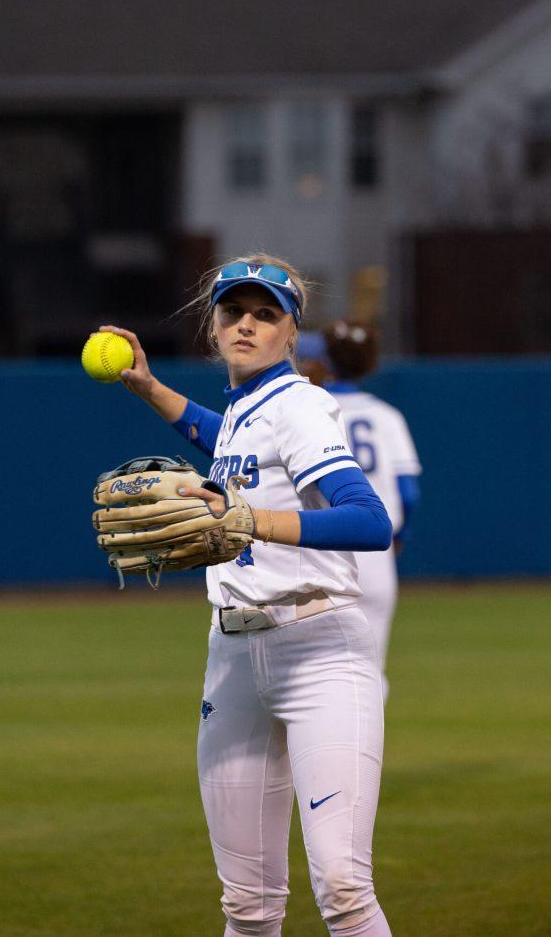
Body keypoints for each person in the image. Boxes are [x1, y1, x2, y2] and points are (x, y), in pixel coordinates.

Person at [100, 255, 395, 937]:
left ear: (292, 334)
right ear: (213, 325)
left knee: (344, 889)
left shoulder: (298, 405)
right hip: (234, 658)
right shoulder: (245, 410)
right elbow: (218, 436)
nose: (247, 324)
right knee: (247, 905)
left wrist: (251, 520)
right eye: (234, 312)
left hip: (319, 650)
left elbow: (370, 520)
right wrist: (150, 388)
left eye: (267, 315)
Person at [318, 320, 422, 700]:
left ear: (326, 357)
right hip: (377, 552)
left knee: (315, 675)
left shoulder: (310, 413)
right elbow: (408, 493)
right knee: (369, 674)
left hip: (322, 551)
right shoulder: (388, 417)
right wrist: (402, 535)